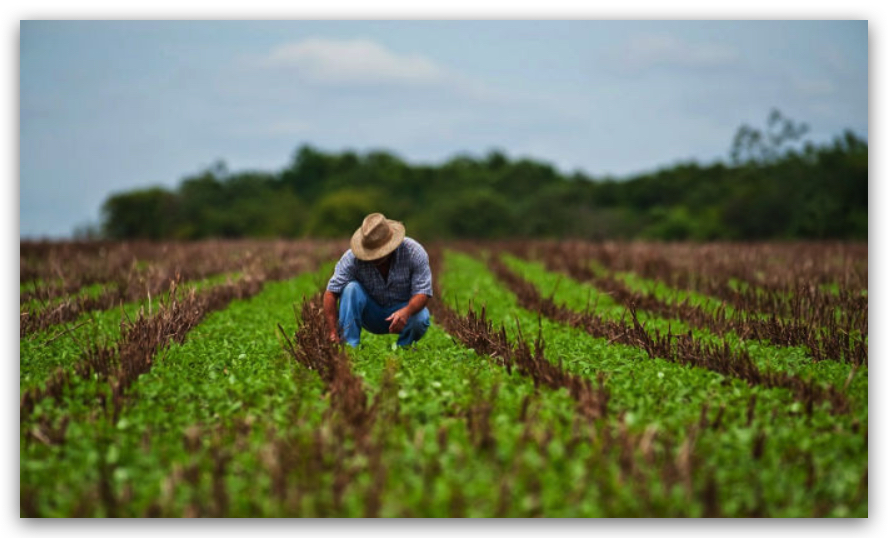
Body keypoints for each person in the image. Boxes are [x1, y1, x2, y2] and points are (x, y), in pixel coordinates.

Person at [323, 212, 432, 348]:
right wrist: (333, 332)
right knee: (351, 289)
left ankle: (404, 349)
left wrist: (406, 311)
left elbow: (423, 293)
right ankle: (349, 348)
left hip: (403, 311)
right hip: (371, 313)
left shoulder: (414, 252)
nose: (375, 257)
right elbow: (330, 293)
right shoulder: (351, 258)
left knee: (421, 317)